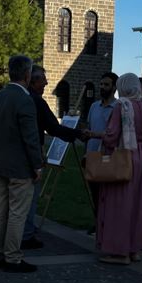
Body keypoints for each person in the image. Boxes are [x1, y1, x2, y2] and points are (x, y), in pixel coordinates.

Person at [88, 73, 142, 264]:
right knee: (138, 204)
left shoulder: (122, 105)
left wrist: (94, 135)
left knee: (120, 204)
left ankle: (120, 252)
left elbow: (111, 135)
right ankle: (134, 249)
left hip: (125, 155)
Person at [0, 55, 42, 273]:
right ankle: (12, 257)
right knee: (17, 212)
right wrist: (37, 165)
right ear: (27, 75)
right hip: (20, 166)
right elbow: (31, 138)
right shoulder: (24, 100)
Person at [22, 65, 87, 249]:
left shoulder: (20, 98)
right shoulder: (36, 101)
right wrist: (78, 134)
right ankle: (26, 235)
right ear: (33, 81)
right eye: (43, 80)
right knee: (29, 198)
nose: (46, 83)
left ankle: (19, 232)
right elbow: (53, 128)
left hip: (11, 159)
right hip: (30, 158)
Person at [85, 72, 118, 232]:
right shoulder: (94, 106)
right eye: (101, 84)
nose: (102, 87)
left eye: (106, 85)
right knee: (95, 193)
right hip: (92, 156)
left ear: (114, 87)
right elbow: (89, 128)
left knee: (108, 194)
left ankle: (108, 224)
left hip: (107, 157)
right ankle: (98, 223)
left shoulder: (118, 107)